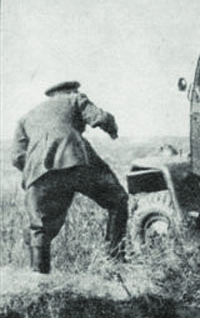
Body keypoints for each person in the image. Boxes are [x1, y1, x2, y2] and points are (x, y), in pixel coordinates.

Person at [11, 81, 129, 273]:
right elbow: (100, 118)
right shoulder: (74, 98)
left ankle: (39, 279)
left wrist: (40, 170)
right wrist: (112, 129)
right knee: (118, 200)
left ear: (51, 95)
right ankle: (115, 261)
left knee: (39, 227)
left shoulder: (26, 117)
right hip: (75, 160)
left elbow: (17, 157)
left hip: (38, 172)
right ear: (71, 90)